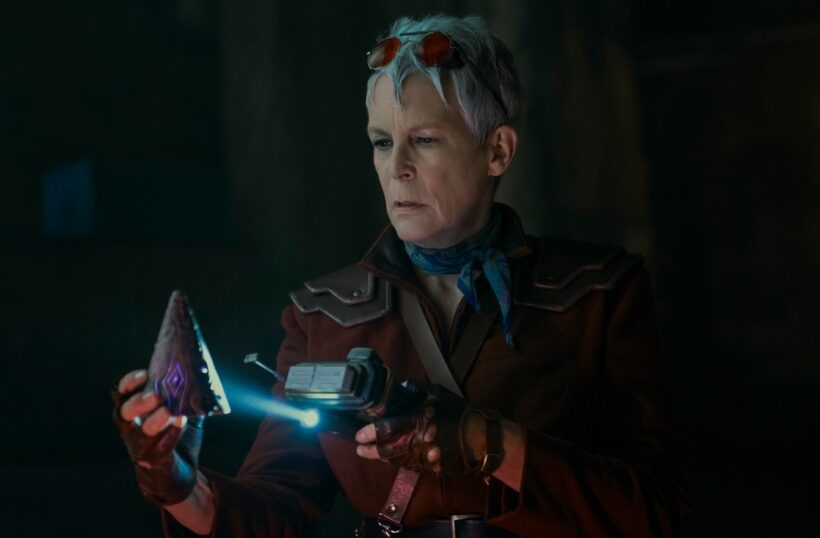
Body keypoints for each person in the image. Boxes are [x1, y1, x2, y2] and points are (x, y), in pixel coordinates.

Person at [113, 14, 689, 537]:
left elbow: (654, 511)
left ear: (497, 151)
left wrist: (485, 440)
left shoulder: (596, 294)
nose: (398, 168)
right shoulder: (325, 314)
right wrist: (176, 482)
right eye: (383, 142)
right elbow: (273, 511)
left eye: (426, 140)